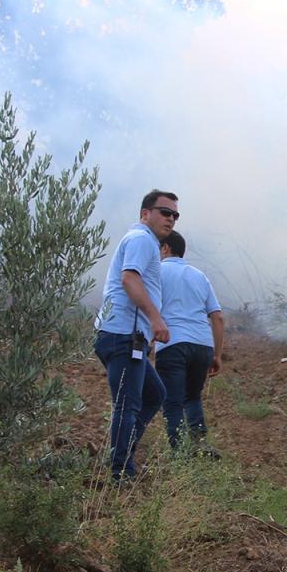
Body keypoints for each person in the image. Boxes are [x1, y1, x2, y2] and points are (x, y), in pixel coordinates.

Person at [93, 190, 178, 481]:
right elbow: (129, 278)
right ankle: (120, 472)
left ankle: (122, 451)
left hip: (126, 336)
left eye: (175, 215)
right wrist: (156, 319)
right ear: (145, 213)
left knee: (155, 394)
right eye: (165, 212)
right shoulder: (142, 239)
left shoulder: (144, 242)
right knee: (128, 404)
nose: (171, 219)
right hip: (122, 336)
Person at [156, 230, 224, 454]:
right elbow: (217, 317)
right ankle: (200, 443)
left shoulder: (156, 272)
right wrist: (216, 354)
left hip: (172, 344)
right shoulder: (200, 276)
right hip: (202, 345)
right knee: (192, 396)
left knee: (173, 400)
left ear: (165, 248)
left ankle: (179, 451)